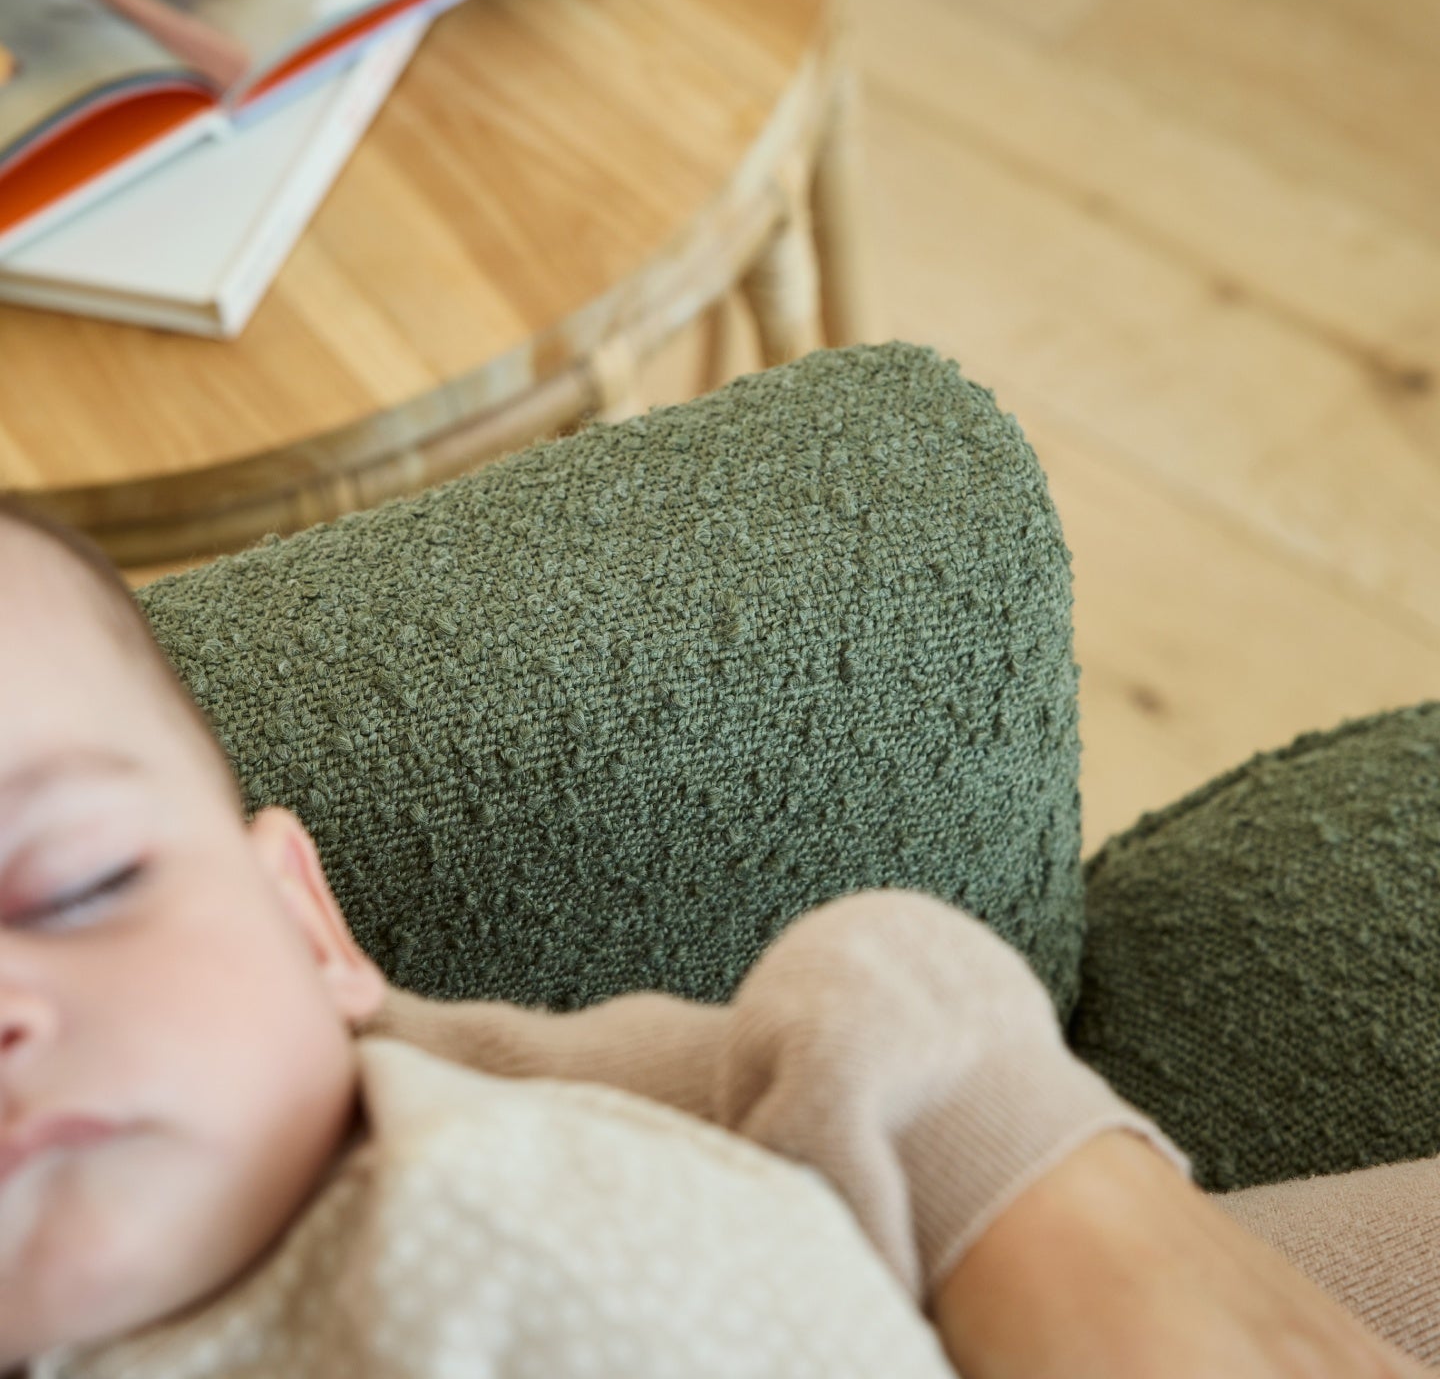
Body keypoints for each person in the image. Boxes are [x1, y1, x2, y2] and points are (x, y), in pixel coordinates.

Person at [0, 494, 1431, 1378]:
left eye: (77, 883)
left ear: (306, 922)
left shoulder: (418, 1140)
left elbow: (866, 1008)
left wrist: (1054, 1205)